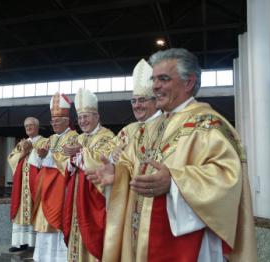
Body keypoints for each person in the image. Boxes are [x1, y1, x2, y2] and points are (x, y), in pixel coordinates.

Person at [92, 48, 257, 261]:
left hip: (187, 241)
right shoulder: (150, 128)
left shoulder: (208, 124)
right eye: (154, 80)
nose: (156, 86)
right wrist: (117, 174)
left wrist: (174, 181)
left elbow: (227, 177)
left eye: (164, 79)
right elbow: (131, 163)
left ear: (188, 83)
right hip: (141, 237)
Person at [63, 88, 114, 262]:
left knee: (93, 239)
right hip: (77, 199)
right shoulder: (78, 138)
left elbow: (104, 163)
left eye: (86, 116)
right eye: (80, 117)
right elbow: (67, 167)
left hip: (94, 199)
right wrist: (70, 159)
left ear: (97, 117)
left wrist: (81, 153)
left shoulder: (107, 137)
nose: (82, 121)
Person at [31, 92, 78, 262]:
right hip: (45, 191)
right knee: (44, 229)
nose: (54, 124)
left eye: (58, 120)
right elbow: (36, 161)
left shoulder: (74, 138)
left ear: (67, 120)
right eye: (52, 121)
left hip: (60, 191)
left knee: (58, 226)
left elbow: (70, 163)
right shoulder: (49, 139)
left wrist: (50, 158)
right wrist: (40, 155)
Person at [7, 117, 48, 252]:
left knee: (35, 211)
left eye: (31, 125)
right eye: (26, 126)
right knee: (20, 211)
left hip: (36, 185)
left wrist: (33, 151)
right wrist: (24, 152)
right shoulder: (22, 143)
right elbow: (11, 159)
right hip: (21, 186)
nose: (29, 128)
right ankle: (20, 243)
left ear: (37, 127)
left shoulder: (45, 142)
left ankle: (34, 243)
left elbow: (47, 162)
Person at [110, 58, 160, 163]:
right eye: (134, 101)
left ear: (155, 101)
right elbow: (108, 155)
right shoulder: (127, 130)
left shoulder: (168, 126)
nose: (137, 105)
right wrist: (112, 156)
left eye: (142, 100)